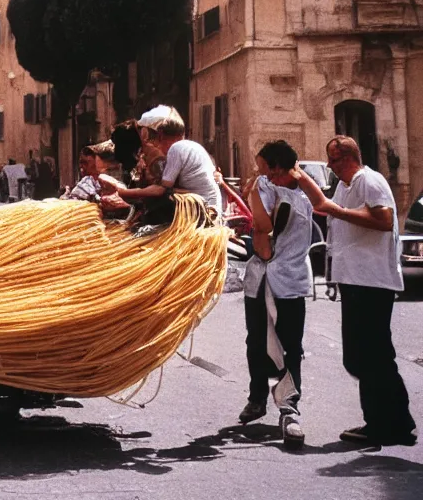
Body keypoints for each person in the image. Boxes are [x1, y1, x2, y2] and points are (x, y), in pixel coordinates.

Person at [291, 136, 416, 446]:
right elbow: (324, 206)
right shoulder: (346, 187)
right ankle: (393, 421)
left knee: (371, 356)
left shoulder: (369, 181)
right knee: (363, 356)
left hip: (373, 281)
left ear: (345, 158)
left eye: (332, 161)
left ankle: (388, 423)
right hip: (356, 281)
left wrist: (337, 211)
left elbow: (384, 219)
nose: (330, 167)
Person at [236, 140, 312, 449]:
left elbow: (263, 231)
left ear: (277, 168)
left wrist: (253, 192)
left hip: (287, 281)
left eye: (261, 167)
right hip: (261, 280)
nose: (257, 173)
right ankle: (257, 398)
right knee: (256, 341)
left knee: (289, 345)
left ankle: (289, 409)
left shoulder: (294, 196)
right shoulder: (271, 189)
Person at [101, 106, 221, 214]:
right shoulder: (190, 146)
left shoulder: (175, 149)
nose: (154, 146)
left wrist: (121, 192)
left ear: (160, 134)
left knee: (162, 199)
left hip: (204, 209)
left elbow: (160, 190)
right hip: (207, 204)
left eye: (152, 140)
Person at [64, 142, 131, 219]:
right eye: (80, 162)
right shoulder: (87, 184)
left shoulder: (124, 185)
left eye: (85, 163)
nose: (81, 167)